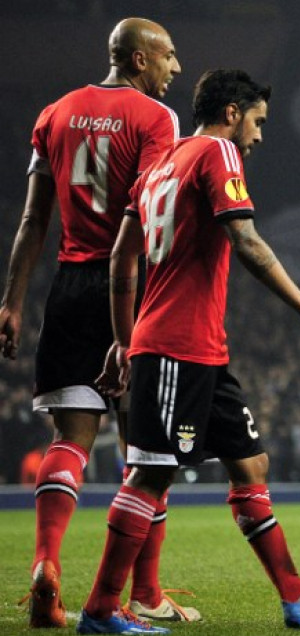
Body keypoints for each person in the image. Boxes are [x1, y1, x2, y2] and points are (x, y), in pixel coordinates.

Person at [78, 69, 300, 634]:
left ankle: (296, 595)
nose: (258, 136)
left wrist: (121, 337)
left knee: (250, 464)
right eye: (257, 121)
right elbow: (246, 241)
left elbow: (120, 259)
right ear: (232, 112)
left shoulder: (160, 162)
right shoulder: (217, 154)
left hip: (200, 351)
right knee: (149, 477)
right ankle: (101, 610)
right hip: (175, 349)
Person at [0, 18, 200, 628]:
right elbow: (151, 212)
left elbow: (34, 219)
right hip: (131, 288)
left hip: (66, 287)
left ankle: (46, 568)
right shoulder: (156, 119)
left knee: (69, 443)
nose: (177, 68)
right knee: (150, 452)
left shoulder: (53, 114)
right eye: (168, 57)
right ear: (139, 60)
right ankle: (145, 592)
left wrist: (10, 302)